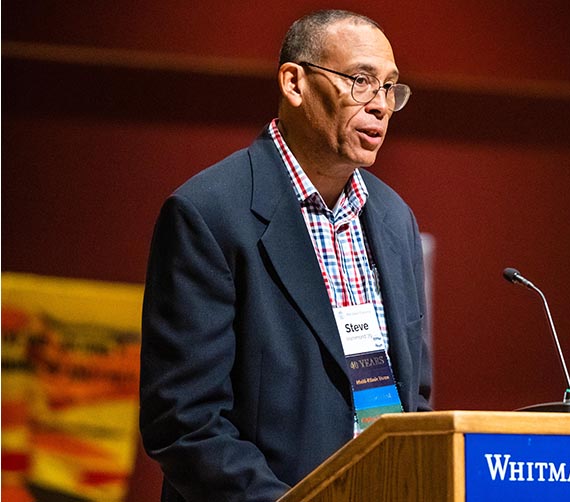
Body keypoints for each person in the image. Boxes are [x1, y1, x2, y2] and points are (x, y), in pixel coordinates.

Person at [139, 10, 432, 502]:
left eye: (390, 88)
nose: (381, 105)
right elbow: (186, 421)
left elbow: (412, 399)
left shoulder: (394, 219)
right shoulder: (208, 212)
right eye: (361, 81)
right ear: (295, 83)